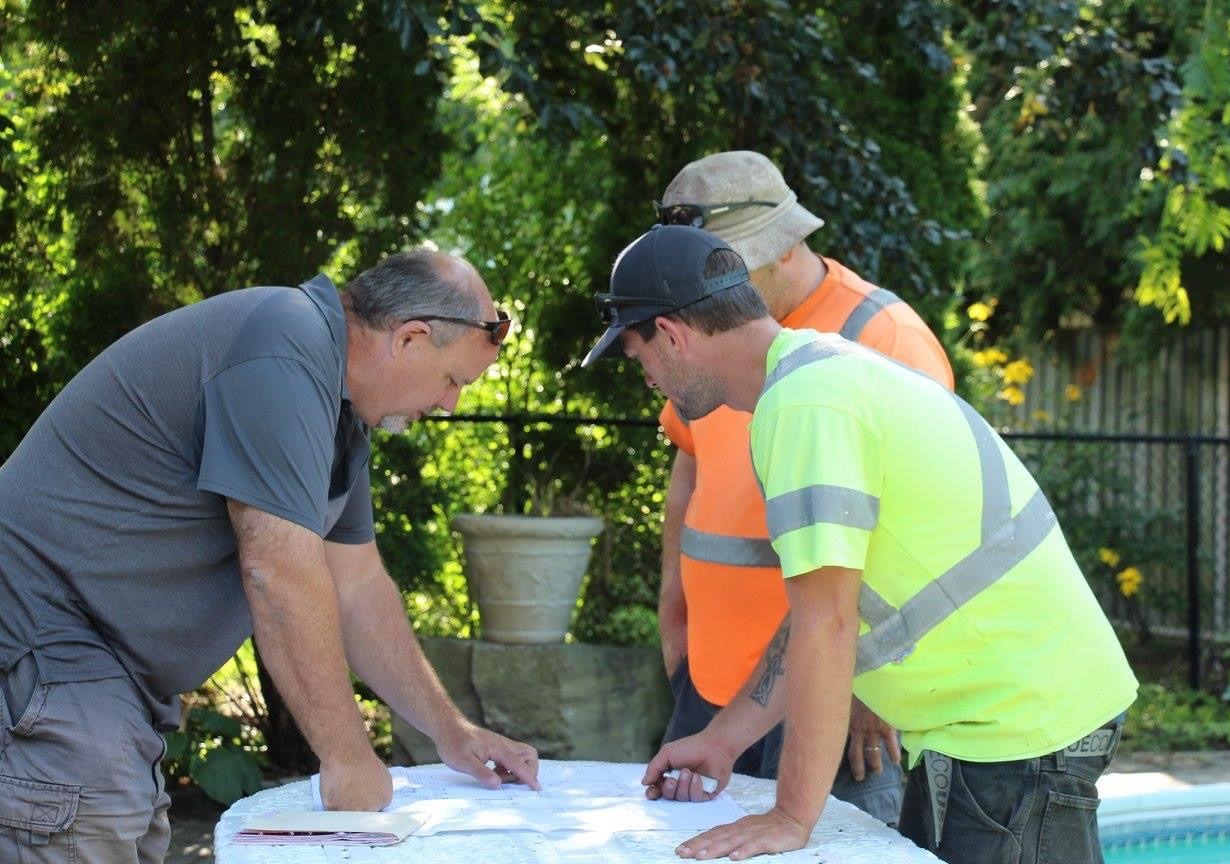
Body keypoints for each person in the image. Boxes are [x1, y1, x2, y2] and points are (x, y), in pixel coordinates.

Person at [583, 225, 1137, 863]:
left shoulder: (805, 407)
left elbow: (828, 623)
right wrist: (724, 740)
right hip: (996, 726)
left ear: (674, 336)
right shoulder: (814, 377)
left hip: (1015, 733)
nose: (648, 378)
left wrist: (791, 816)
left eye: (639, 358)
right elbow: (817, 612)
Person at [0, 249, 540, 862]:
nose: (450, 407)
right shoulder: (285, 349)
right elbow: (276, 571)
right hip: (46, 654)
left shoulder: (340, 411)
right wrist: (345, 757)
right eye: (453, 382)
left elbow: (357, 585)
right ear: (411, 338)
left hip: (102, 682)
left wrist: (452, 731)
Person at [651, 150, 954, 826]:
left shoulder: (886, 335)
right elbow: (690, 465)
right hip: (709, 683)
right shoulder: (712, 329)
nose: (712, 292)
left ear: (787, 247)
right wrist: (672, 614)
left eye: (728, 268)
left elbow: (921, 526)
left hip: (827, 696)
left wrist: (871, 685)